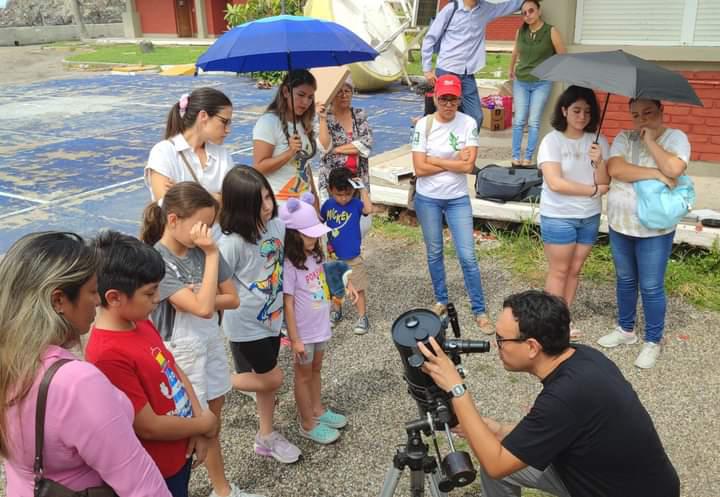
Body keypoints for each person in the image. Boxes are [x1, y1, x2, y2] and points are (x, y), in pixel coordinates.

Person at [417, 290, 680, 497]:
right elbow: (556, 430)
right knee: (497, 461)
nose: (496, 346)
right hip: (615, 477)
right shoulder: (583, 357)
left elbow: (497, 463)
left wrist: (456, 388)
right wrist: (496, 429)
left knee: (495, 464)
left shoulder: (566, 396)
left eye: (501, 340)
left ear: (532, 347)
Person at [0, 231, 172, 497]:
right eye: (92, 291)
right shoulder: (77, 383)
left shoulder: (11, 362)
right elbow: (142, 485)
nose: (97, 300)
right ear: (59, 300)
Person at [87, 231, 257, 497]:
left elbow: (173, 369)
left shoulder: (140, 321)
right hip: (155, 468)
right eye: (149, 292)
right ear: (114, 297)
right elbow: (147, 425)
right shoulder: (107, 354)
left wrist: (199, 419)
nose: (157, 300)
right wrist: (203, 425)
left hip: (180, 449)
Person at [140, 182, 242, 497]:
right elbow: (201, 307)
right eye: (201, 225)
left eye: (210, 227)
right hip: (180, 352)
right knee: (188, 429)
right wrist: (211, 258)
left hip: (209, 341)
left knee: (212, 421)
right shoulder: (159, 260)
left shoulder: (203, 250)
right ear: (173, 220)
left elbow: (233, 298)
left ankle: (221, 490)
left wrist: (205, 294)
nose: (207, 233)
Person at [217, 167, 302, 464]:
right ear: (241, 207)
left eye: (268, 196)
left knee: (266, 380)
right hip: (245, 326)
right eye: (259, 202)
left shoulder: (276, 226)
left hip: (271, 321)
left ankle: (266, 436)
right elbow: (214, 285)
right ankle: (210, 381)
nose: (268, 205)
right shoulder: (230, 244)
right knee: (272, 380)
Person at [597, 98, 691, 369]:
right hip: (621, 222)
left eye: (648, 113)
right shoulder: (624, 137)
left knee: (651, 286)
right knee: (625, 279)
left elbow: (674, 168)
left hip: (656, 227)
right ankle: (626, 329)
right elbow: (616, 169)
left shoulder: (676, 138)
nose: (642, 120)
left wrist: (650, 142)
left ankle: (653, 340)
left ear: (662, 111)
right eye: (636, 115)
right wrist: (656, 174)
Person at [411, 74, 492, 334]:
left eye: (453, 99)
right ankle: (441, 299)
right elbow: (418, 169)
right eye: (443, 98)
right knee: (435, 252)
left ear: (459, 99)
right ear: (435, 98)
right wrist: (452, 161)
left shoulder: (468, 123)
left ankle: (479, 309)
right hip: (428, 198)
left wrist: (435, 160)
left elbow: (468, 166)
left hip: (457, 198)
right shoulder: (423, 125)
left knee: (467, 255)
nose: (448, 104)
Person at [537, 86, 609, 338]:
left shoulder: (598, 142)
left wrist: (599, 162)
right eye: (576, 110)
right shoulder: (552, 141)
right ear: (564, 110)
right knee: (558, 270)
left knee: (575, 270)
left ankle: (564, 319)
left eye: (587, 111)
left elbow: (606, 183)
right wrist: (591, 190)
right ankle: (551, 325)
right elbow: (555, 183)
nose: (582, 116)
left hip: (589, 216)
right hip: (559, 215)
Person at [281, 193, 354, 445]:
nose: (315, 238)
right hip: (303, 333)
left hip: (320, 327)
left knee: (316, 369)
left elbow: (324, 280)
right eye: (308, 234)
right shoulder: (289, 265)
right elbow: (288, 304)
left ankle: (318, 409)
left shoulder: (314, 256)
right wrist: (295, 338)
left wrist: (344, 286)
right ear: (292, 234)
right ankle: (307, 422)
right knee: (302, 375)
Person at [421, 0, 524, 129]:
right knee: (445, 114)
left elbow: (506, 7)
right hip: (447, 70)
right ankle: (443, 146)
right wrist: (427, 70)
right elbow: (430, 38)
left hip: (467, 74)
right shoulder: (451, 9)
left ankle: (466, 147)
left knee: (476, 117)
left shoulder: (485, 9)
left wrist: (524, 2)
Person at [145, 87, 235, 204]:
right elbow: (167, 206)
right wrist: (216, 198)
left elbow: (233, 206)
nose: (228, 130)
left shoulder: (222, 155)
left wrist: (183, 194)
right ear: (203, 116)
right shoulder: (163, 152)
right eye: (224, 122)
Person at [509, 0, 566, 167]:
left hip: (542, 82)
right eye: (524, 13)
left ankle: (528, 158)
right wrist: (510, 69)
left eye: (531, 11)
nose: (527, 15)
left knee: (533, 122)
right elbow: (515, 51)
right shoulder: (521, 31)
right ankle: (515, 156)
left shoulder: (551, 31)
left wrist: (552, 71)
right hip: (521, 80)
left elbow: (562, 54)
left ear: (539, 11)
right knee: (519, 120)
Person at [316, 74, 374, 235]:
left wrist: (336, 149)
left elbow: (366, 143)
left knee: (361, 220)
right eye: (339, 91)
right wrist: (321, 120)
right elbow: (324, 145)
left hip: (357, 176)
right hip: (334, 179)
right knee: (334, 223)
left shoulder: (359, 114)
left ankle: (353, 251)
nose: (344, 95)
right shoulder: (325, 117)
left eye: (347, 90)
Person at [320, 167, 373, 334]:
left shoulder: (356, 205)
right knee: (335, 287)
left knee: (358, 287)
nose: (343, 199)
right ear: (330, 190)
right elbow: (319, 221)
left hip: (353, 257)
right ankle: (336, 312)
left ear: (353, 191)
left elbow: (368, 209)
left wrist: (362, 188)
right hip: (333, 256)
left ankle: (362, 316)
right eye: (339, 194)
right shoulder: (327, 205)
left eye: (347, 194)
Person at [253, 69, 319, 203]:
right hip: (280, 205)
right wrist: (290, 152)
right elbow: (259, 168)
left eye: (310, 97)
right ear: (285, 92)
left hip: (305, 203)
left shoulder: (303, 123)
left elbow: (304, 164)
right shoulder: (269, 122)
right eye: (301, 95)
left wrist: (315, 199)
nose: (306, 102)